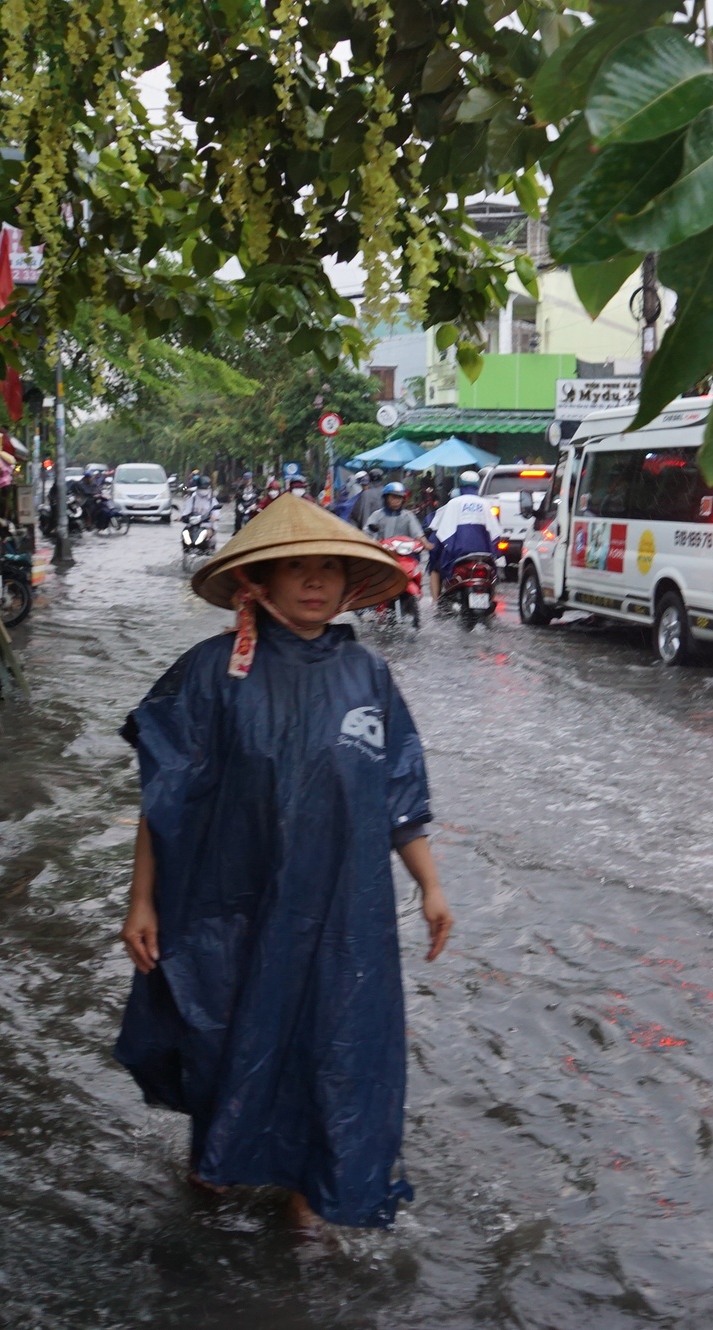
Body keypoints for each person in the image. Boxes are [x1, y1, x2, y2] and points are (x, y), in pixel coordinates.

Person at [116, 495, 455, 1235]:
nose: (314, 581)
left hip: (343, 911)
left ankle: (312, 1198)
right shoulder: (213, 673)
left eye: (328, 568)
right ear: (258, 582)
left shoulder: (368, 675)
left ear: (348, 583)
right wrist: (141, 900)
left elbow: (401, 795)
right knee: (224, 1031)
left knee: (334, 1043)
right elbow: (164, 796)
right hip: (228, 902)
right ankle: (215, 1167)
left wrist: (429, 886)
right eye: (295, 567)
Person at [426, 470, 502, 604]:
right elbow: (495, 532)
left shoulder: (454, 503)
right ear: (477, 486)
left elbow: (439, 528)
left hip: (457, 553)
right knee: (493, 573)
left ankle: (435, 602)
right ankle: (491, 599)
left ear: (460, 486)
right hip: (484, 554)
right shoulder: (485, 504)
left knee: (434, 568)